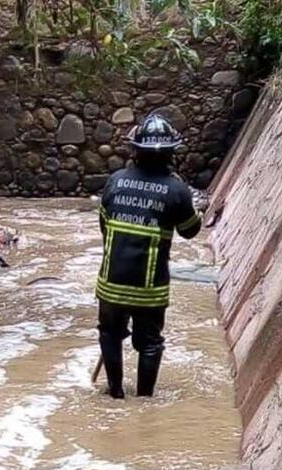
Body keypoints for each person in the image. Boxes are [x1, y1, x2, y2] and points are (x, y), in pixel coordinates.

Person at [95, 114, 202, 399]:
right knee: (150, 343)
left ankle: (115, 391)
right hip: (149, 289)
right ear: (171, 153)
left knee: (109, 334)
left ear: (135, 150)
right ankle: (144, 399)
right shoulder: (176, 190)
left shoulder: (115, 182)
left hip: (111, 282)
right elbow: (191, 231)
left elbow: (105, 228)